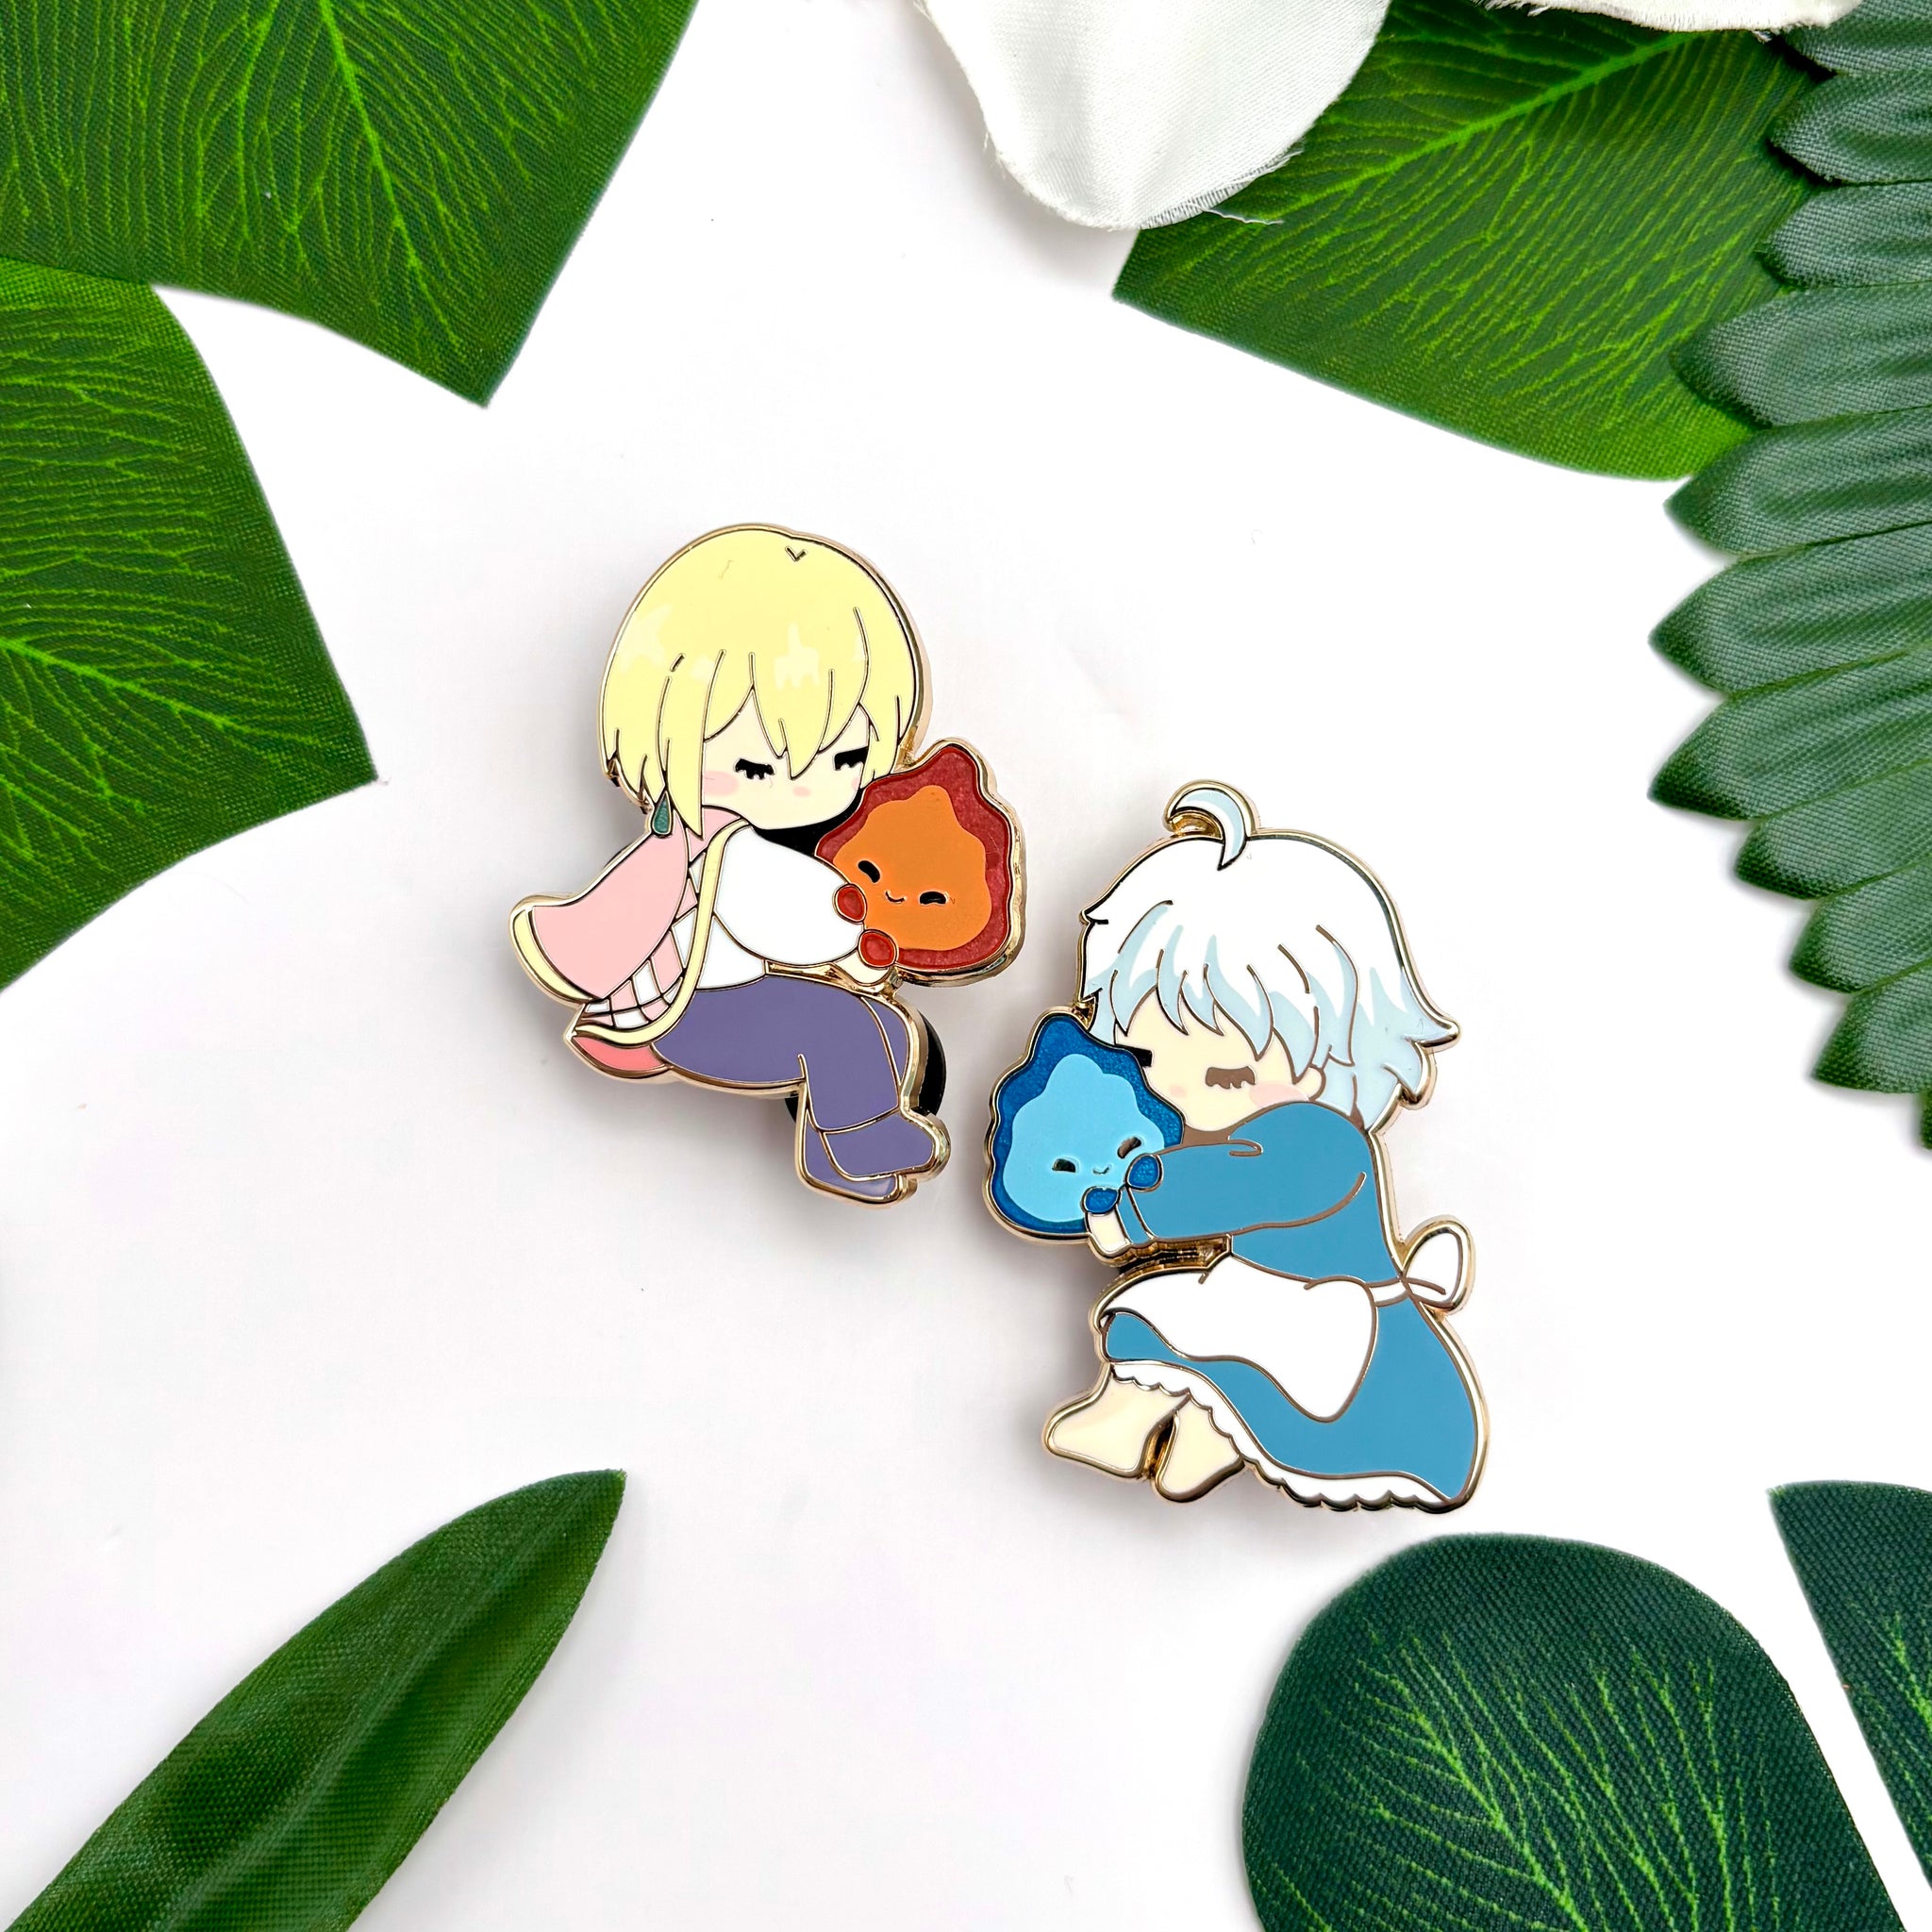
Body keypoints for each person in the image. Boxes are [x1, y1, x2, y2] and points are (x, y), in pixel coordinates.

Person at [1045, 784, 1484, 1507]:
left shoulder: (1322, 1140)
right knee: (1162, 1326)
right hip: (1260, 1292)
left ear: (1331, 1050)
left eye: (1227, 1072)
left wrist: (1130, 1216)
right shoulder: (1257, 1128)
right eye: (1152, 1057)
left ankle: (1199, 1442)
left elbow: (1234, 1185)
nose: (1182, 1089)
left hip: (1323, 1318)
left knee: (1221, 1352)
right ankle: (1133, 1429)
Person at [511, 526, 945, 1204]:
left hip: (734, 995)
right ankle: (862, 1142)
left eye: (845, 759)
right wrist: (852, 936)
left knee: (886, 1028)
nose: (804, 787)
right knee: (839, 1027)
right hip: (697, 1015)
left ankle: (834, 1158)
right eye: (756, 767)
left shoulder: (711, 838)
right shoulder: (728, 846)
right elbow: (790, 917)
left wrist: (855, 962)